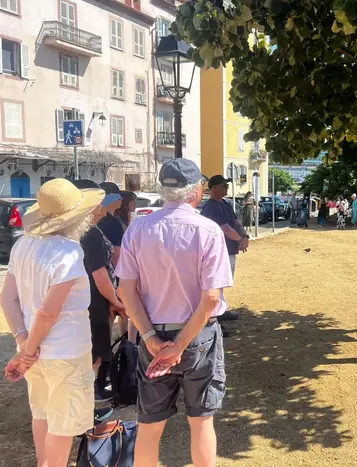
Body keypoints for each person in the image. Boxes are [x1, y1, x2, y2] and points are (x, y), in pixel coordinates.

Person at [117, 159, 231, 467]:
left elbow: (126, 290)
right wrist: (179, 345)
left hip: (153, 334)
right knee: (202, 422)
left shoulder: (138, 228)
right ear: (196, 191)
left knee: (149, 425)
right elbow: (210, 298)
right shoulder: (207, 230)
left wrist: (150, 338)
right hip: (198, 337)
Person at [1, 178, 105, 467]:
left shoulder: (23, 244)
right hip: (65, 352)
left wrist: (24, 343)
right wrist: (27, 350)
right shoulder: (68, 251)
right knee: (62, 424)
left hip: (36, 350)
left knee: (43, 413)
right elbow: (48, 311)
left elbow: (8, 297)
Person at [77, 180, 124, 403]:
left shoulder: (88, 230)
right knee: (94, 354)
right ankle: (87, 400)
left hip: (92, 298)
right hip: (94, 300)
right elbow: (99, 275)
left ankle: (89, 395)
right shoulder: (89, 233)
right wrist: (116, 301)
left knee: (94, 350)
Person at [201, 175, 250, 279]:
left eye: (227, 185)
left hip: (229, 250)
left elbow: (236, 223)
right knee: (218, 282)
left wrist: (245, 237)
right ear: (214, 188)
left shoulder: (226, 204)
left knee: (227, 281)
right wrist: (241, 239)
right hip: (218, 252)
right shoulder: (211, 207)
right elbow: (226, 229)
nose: (227, 187)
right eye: (224, 186)